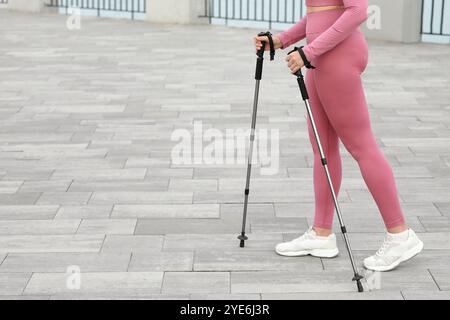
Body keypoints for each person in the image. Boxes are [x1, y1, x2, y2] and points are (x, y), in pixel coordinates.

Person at [254, 0, 423, 272]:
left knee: (361, 146)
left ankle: (400, 235)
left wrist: (308, 51)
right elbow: (320, 13)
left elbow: (357, 11)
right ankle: (321, 234)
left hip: (337, 55)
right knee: (323, 147)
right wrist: (281, 40)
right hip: (321, 57)